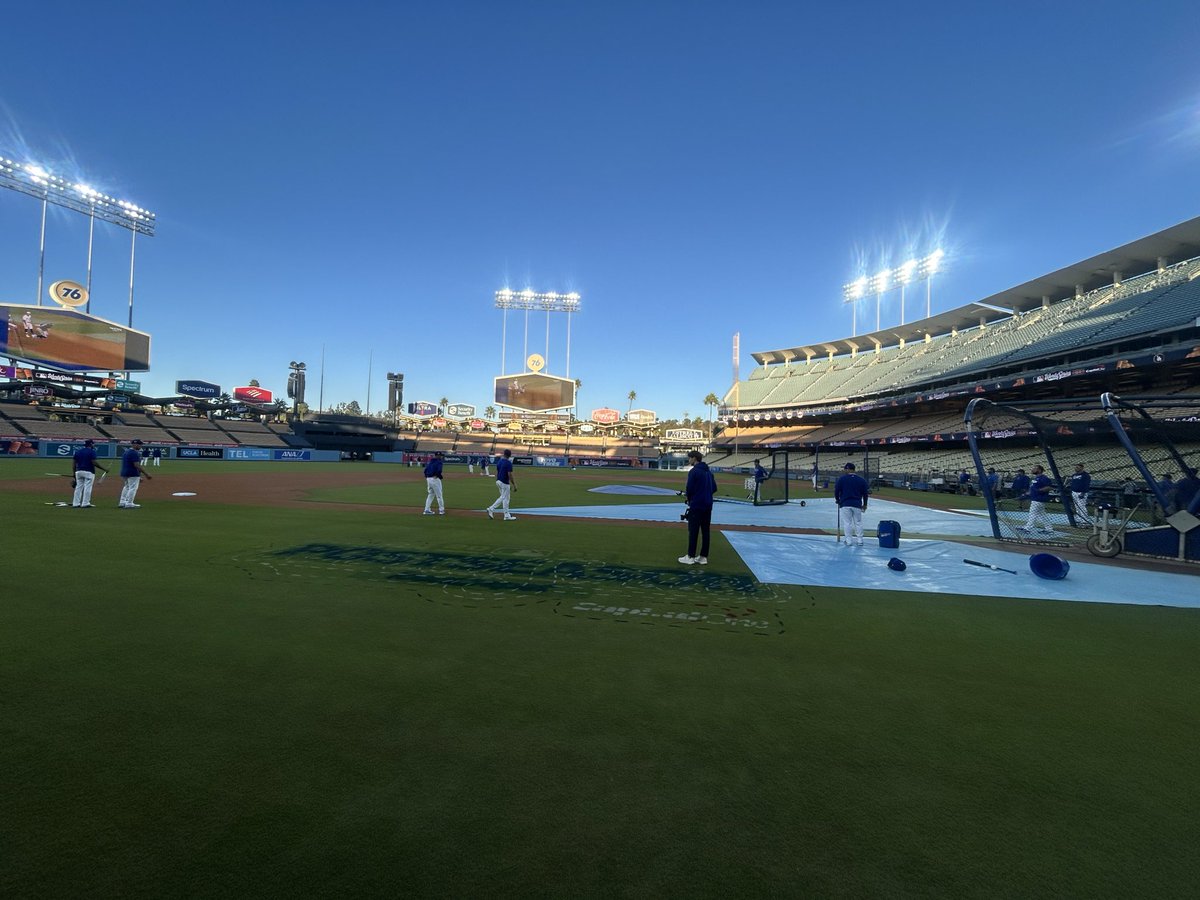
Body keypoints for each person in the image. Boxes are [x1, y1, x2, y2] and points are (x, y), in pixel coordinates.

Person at [679, 450, 717, 564]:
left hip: (696, 505)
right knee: (705, 531)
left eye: (690, 458)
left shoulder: (694, 471)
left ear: (694, 458)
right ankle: (703, 557)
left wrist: (691, 499)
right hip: (708, 504)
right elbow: (714, 488)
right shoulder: (709, 472)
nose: (689, 460)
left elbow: (689, 488)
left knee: (693, 531)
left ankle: (690, 556)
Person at [834, 462, 870, 547]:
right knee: (858, 522)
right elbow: (865, 494)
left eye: (845, 469)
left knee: (847, 523)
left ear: (848, 469)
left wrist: (837, 500)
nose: (844, 471)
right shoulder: (861, 480)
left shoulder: (842, 479)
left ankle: (849, 541)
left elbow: (836, 491)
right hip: (857, 504)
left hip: (845, 504)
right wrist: (865, 504)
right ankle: (860, 540)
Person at [71, 439, 108, 508]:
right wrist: (104, 469)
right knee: (87, 487)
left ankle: (75, 503)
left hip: (78, 472)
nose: (94, 445)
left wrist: (74, 474)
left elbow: (73, 464)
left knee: (78, 488)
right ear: (91, 444)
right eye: (93, 444)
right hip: (89, 472)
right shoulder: (92, 452)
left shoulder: (78, 452)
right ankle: (85, 503)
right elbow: (94, 462)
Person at [118, 439, 153, 508]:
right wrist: (146, 474)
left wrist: (139, 476)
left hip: (124, 472)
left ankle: (122, 502)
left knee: (126, 487)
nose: (141, 446)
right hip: (132, 472)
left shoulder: (126, 452)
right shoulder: (134, 453)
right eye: (140, 444)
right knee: (133, 488)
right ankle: (129, 503)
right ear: (136, 444)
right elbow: (136, 465)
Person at [1021, 464, 1053, 533]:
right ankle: (1049, 529)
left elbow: (1049, 487)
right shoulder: (1035, 478)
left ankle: (1027, 528)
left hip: (1039, 499)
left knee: (1032, 513)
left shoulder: (1044, 478)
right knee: (1042, 515)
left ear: (1039, 470)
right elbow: (1033, 489)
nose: (1032, 469)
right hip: (1035, 498)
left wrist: (1039, 491)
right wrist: (1026, 493)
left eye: (1035, 468)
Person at [485, 449, 516, 520]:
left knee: (506, 498)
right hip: (504, 482)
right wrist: (514, 484)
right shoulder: (508, 463)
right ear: (510, 455)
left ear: (504, 454)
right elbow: (510, 474)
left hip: (498, 481)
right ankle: (491, 509)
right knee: (503, 497)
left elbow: (498, 471)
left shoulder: (500, 461)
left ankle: (506, 515)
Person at [423, 451, 446, 515]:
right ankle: (441, 510)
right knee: (439, 495)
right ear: (437, 456)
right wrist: (438, 476)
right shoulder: (439, 462)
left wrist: (427, 476)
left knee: (430, 494)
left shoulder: (431, 461)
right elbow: (439, 470)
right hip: (435, 479)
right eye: (440, 455)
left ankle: (427, 510)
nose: (440, 456)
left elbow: (425, 470)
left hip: (429, 479)